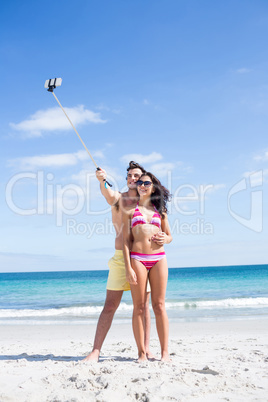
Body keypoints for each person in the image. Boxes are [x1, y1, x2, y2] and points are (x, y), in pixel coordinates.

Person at [84, 161, 153, 362]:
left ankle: (146, 349)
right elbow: (107, 193)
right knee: (110, 305)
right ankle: (96, 351)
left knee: (143, 306)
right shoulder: (118, 199)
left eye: (137, 176)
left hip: (142, 258)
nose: (133, 179)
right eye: (130, 176)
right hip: (119, 258)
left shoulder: (147, 203)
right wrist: (102, 180)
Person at [122, 172, 172, 362]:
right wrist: (128, 267)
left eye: (146, 182)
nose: (142, 185)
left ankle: (165, 353)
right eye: (140, 182)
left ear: (152, 187)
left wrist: (165, 238)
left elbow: (169, 235)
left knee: (159, 306)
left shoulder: (161, 211)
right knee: (139, 307)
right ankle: (141, 353)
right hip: (138, 259)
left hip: (159, 258)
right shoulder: (130, 211)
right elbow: (126, 241)